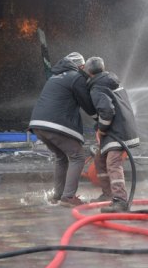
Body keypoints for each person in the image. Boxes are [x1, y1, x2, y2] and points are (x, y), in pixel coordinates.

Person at [29, 52, 97, 207]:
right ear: (80, 66)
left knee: (61, 157)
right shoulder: (76, 77)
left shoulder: (54, 78)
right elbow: (86, 103)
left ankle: (57, 196)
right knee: (78, 156)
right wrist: (99, 119)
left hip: (38, 124)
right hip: (54, 124)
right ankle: (68, 197)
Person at [84, 56, 140, 213]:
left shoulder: (96, 88)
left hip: (117, 131)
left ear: (88, 72)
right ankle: (108, 194)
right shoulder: (111, 81)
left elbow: (107, 111)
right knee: (100, 158)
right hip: (119, 129)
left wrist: (101, 129)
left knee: (113, 163)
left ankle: (120, 201)